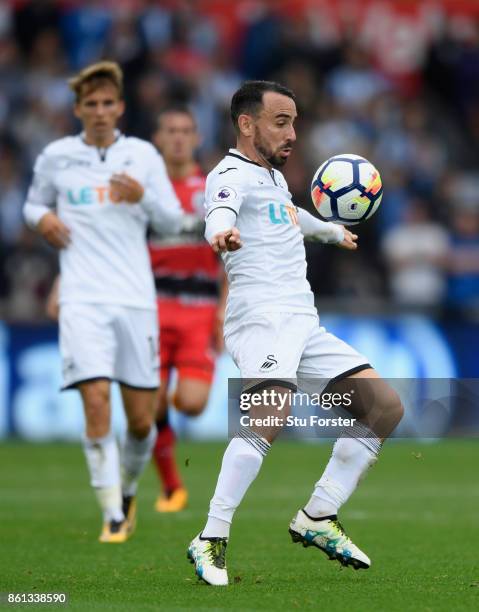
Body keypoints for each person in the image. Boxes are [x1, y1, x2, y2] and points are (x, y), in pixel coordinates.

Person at [187, 81, 404, 585]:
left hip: (302, 321)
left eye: (294, 123)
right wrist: (219, 232)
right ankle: (211, 536)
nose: (292, 134)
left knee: (384, 407)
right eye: (281, 122)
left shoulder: (274, 181)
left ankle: (318, 515)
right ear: (247, 124)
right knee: (270, 412)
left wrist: (330, 231)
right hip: (260, 317)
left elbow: (288, 218)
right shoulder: (229, 175)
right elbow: (218, 210)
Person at [23, 61, 183, 543]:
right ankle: (112, 512)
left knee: (140, 421)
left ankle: (130, 489)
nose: (99, 111)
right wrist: (41, 221)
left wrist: (143, 199)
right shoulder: (56, 156)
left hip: (135, 300)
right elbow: (33, 202)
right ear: (77, 109)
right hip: (81, 299)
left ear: (120, 108)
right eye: (90, 104)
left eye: (107, 103)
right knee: (95, 400)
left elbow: (173, 221)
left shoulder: (142, 157)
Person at [148, 106, 226, 512]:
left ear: (196, 139)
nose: (178, 138)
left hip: (199, 309)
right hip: (152, 308)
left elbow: (230, 256)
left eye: (185, 131)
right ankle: (172, 487)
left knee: (192, 405)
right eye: (170, 130)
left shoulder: (212, 191)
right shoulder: (145, 192)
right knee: (149, 406)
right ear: (158, 138)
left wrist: (223, 311)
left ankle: (163, 399)